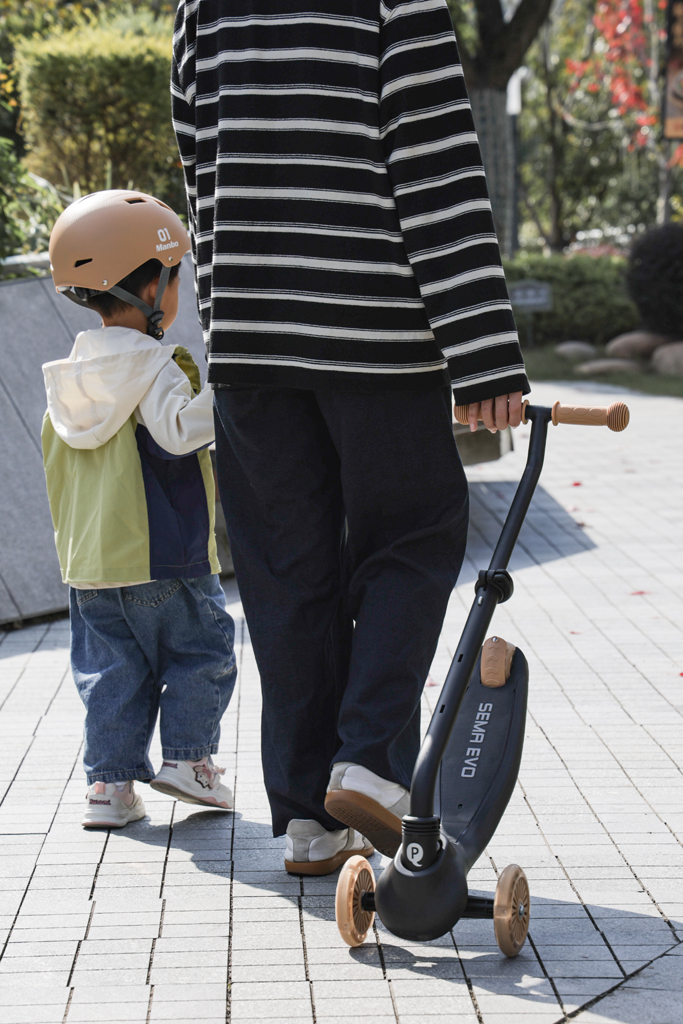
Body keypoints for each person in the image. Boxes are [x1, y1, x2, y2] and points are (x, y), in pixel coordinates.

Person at [171, 0, 528, 874]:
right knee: (413, 536)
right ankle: (369, 759)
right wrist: (480, 354)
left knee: (287, 570)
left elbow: (199, 162)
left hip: (253, 338)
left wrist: (227, 317)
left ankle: (306, 818)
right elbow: (434, 164)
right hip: (375, 334)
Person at [42, 190, 237, 829]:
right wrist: (230, 392)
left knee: (111, 671)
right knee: (199, 650)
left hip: (90, 563)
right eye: (174, 274)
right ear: (152, 285)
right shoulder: (154, 366)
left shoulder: (71, 375)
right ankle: (188, 762)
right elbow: (180, 433)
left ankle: (110, 787)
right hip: (163, 553)